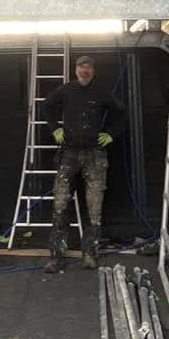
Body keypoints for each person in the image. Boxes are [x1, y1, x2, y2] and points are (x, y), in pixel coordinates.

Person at [39, 54, 126, 272]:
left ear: (93, 71)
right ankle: (56, 257)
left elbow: (122, 114)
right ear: (76, 70)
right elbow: (47, 106)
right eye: (81, 67)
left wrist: (111, 134)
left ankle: (90, 255)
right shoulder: (66, 90)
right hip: (68, 153)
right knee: (60, 204)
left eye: (88, 68)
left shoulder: (102, 93)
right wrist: (55, 129)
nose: (84, 71)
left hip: (94, 154)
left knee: (94, 206)